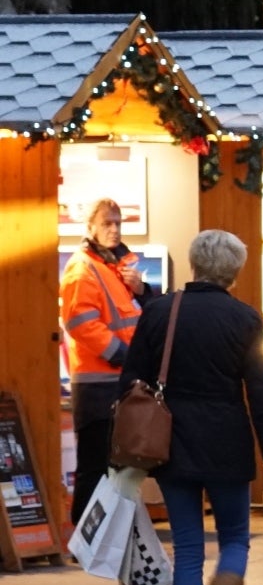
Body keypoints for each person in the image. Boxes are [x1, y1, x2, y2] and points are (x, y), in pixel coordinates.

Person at [119, 230, 263, 585]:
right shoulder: (245, 320)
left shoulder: (159, 312)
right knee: (235, 540)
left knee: (189, 549)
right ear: (234, 271)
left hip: (171, 443)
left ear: (194, 264)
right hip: (227, 442)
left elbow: (130, 381)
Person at [59, 196, 147, 519]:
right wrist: (123, 354)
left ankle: (101, 538)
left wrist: (141, 290)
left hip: (116, 382)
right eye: (107, 223)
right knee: (94, 467)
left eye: (118, 223)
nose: (114, 229)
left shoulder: (113, 268)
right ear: (91, 227)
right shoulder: (83, 267)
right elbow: (80, 322)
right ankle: (84, 541)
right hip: (98, 385)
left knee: (113, 467)